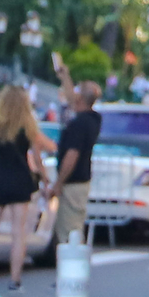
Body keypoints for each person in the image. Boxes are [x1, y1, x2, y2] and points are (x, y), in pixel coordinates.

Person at [0, 84, 52, 291]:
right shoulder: (28, 125)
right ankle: (15, 280)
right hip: (20, 179)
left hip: (0, 178)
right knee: (19, 232)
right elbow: (37, 155)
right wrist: (45, 180)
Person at [52, 80, 103, 246]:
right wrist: (64, 76)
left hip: (72, 183)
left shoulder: (79, 124)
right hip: (82, 181)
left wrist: (59, 182)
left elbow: (72, 155)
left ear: (80, 98)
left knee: (69, 229)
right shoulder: (92, 120)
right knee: (75, 226)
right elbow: (72, 100)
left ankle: (71, 266)